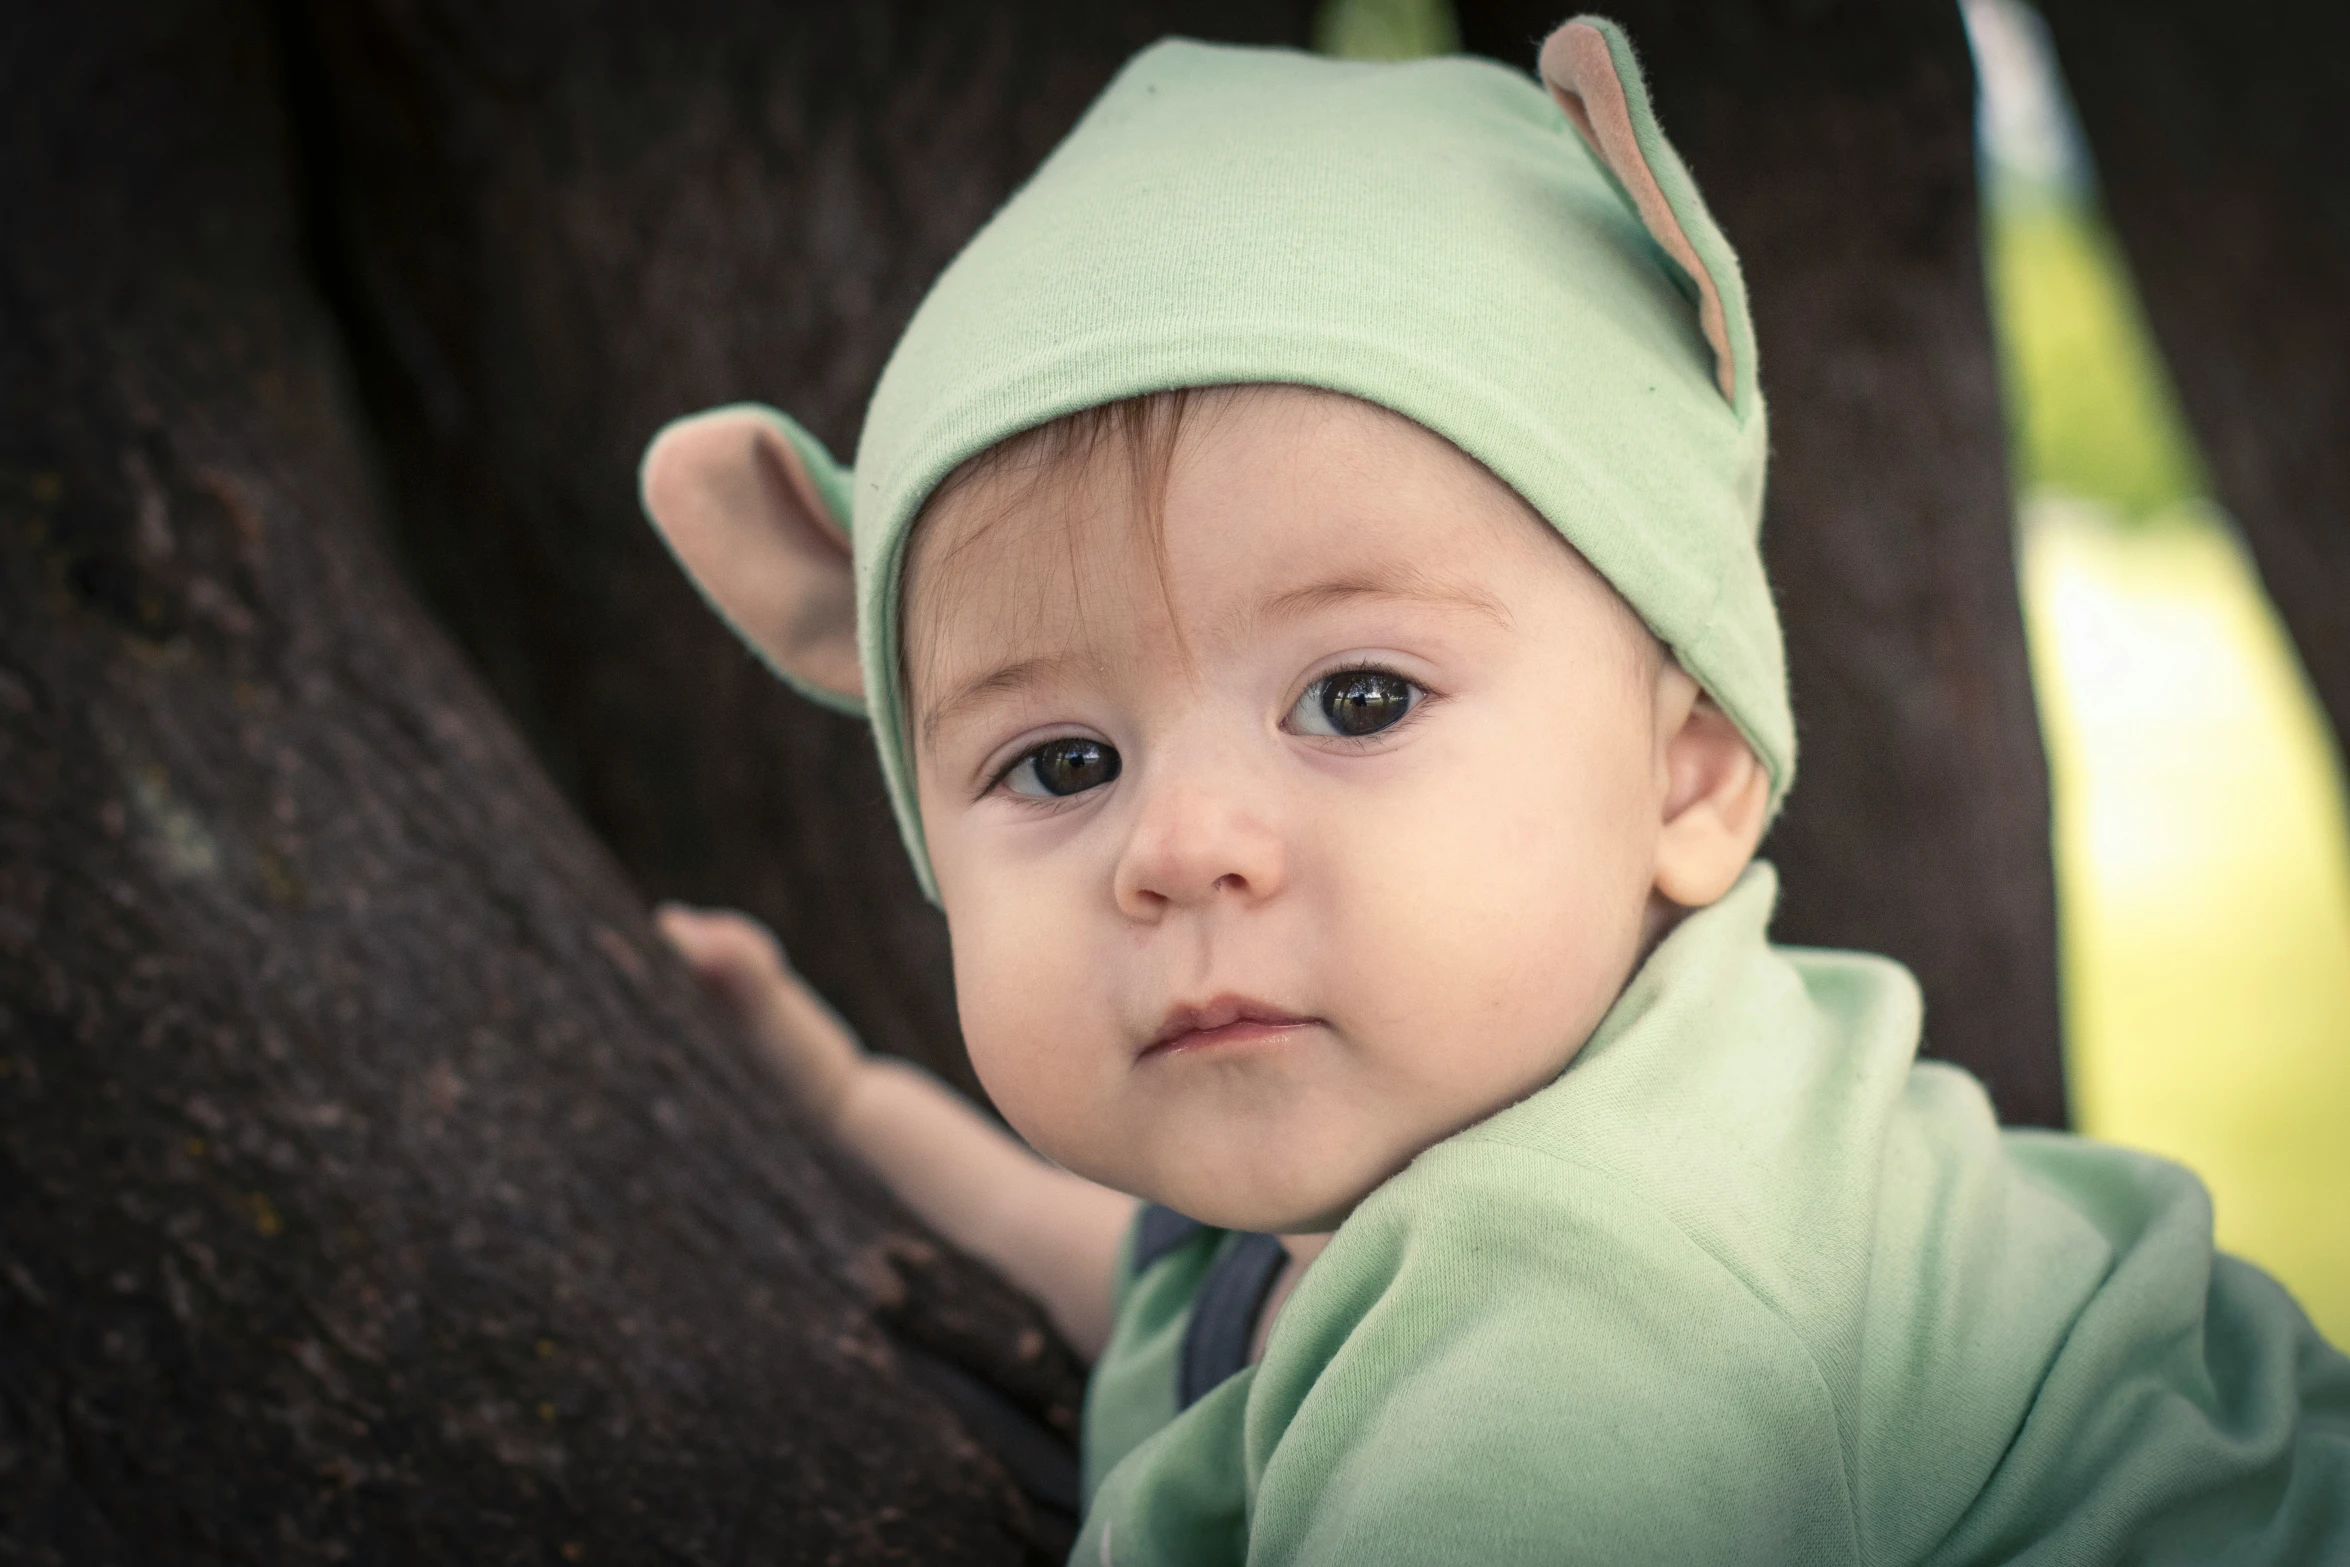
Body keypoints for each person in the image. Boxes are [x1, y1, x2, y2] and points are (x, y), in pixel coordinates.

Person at [638, 16, 2350, 1563]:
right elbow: (1165, 1300)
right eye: (1060, 762)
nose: (1180, 846)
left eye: (1356, 697)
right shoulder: (1418, 1176)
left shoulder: (1594, 1310)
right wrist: (842, 1102)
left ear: (1687, 772)